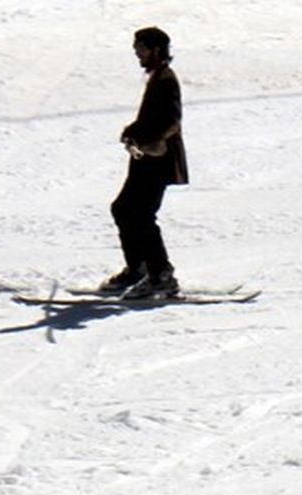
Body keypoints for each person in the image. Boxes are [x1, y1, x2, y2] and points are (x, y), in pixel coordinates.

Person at [100, 26, 188, 300]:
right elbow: (151, 118)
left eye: (141, 48)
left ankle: (161, 275)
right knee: (123, 209)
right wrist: (132, 131)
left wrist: (154, 141)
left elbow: (172, 121)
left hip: (158, 160)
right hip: (143, 159)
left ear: (156, 49)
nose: (137, 53)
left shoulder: (166, 79)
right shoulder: (156, 77)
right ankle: (138, 268)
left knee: (141, 214)